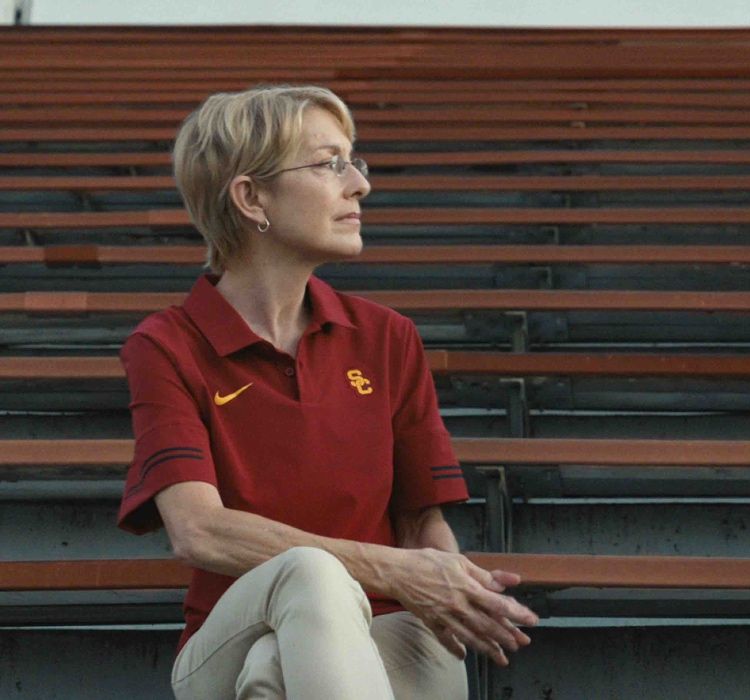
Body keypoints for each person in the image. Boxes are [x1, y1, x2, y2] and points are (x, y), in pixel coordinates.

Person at [116, 85, 538, 699]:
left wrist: (448, 593)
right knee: (311, 579)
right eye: (328, 163)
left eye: (354, 162)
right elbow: (198, 531)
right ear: (251, 196)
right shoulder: (166, 345)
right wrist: (393, 570)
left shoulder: (387, 337)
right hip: (225, 640)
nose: (359, 185)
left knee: (273, 674)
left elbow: (422, 523)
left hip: (384, 634)